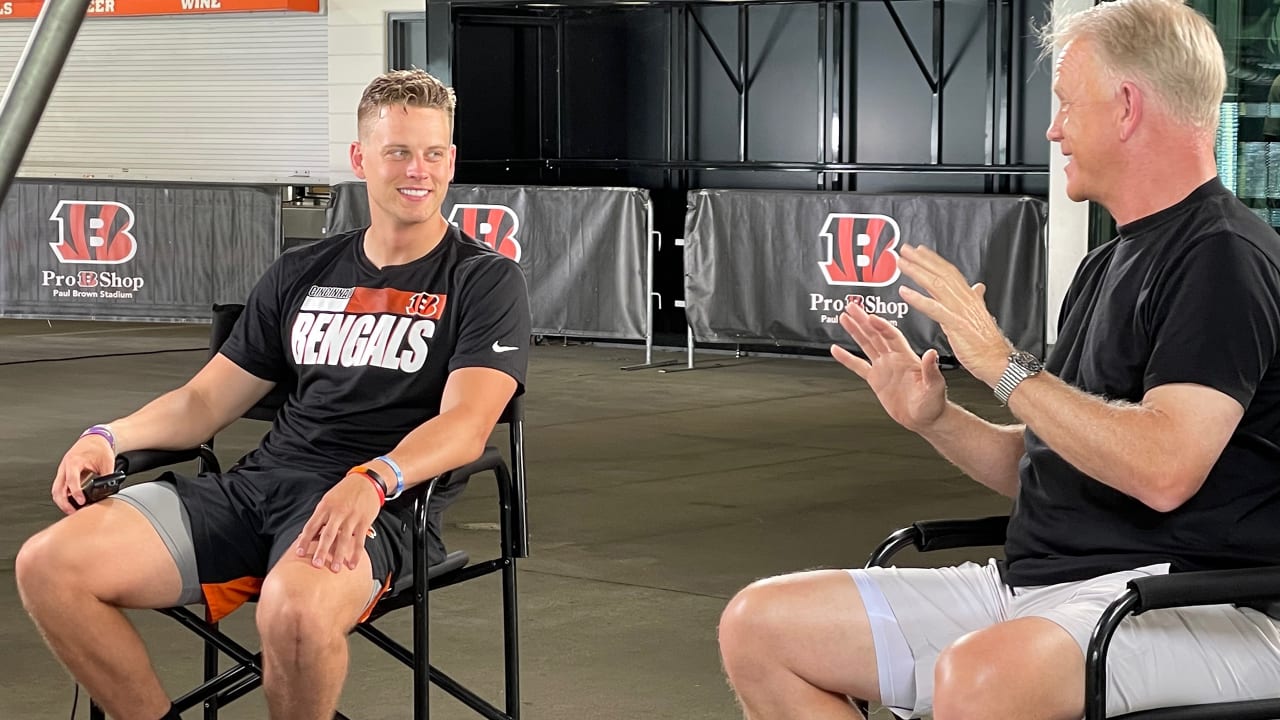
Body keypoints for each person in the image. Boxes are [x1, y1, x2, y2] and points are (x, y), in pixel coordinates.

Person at [717, 0, 1280, 718]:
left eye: (1067, 106)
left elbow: (1164, 469)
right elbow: (1060, 457)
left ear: (1127, 107)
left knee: (982, 678)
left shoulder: (1223, 256)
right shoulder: (1108, 261)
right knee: (760, 629)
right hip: (1047, 585)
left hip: (1193, 598)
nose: (1053, 129)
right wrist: (936, 418)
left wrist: (1003, 365)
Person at [15, 69, 531, 720]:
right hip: (257, 489)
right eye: (397, 151)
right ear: (360, 158)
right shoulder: (302, 271)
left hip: (386, 508)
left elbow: (466, 425)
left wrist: (375, 479)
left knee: (291, 614)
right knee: (49, 566)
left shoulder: (485, 281)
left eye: (433, 153)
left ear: (451, 161)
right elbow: (203, 403)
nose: (416, 170)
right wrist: (108, 436)